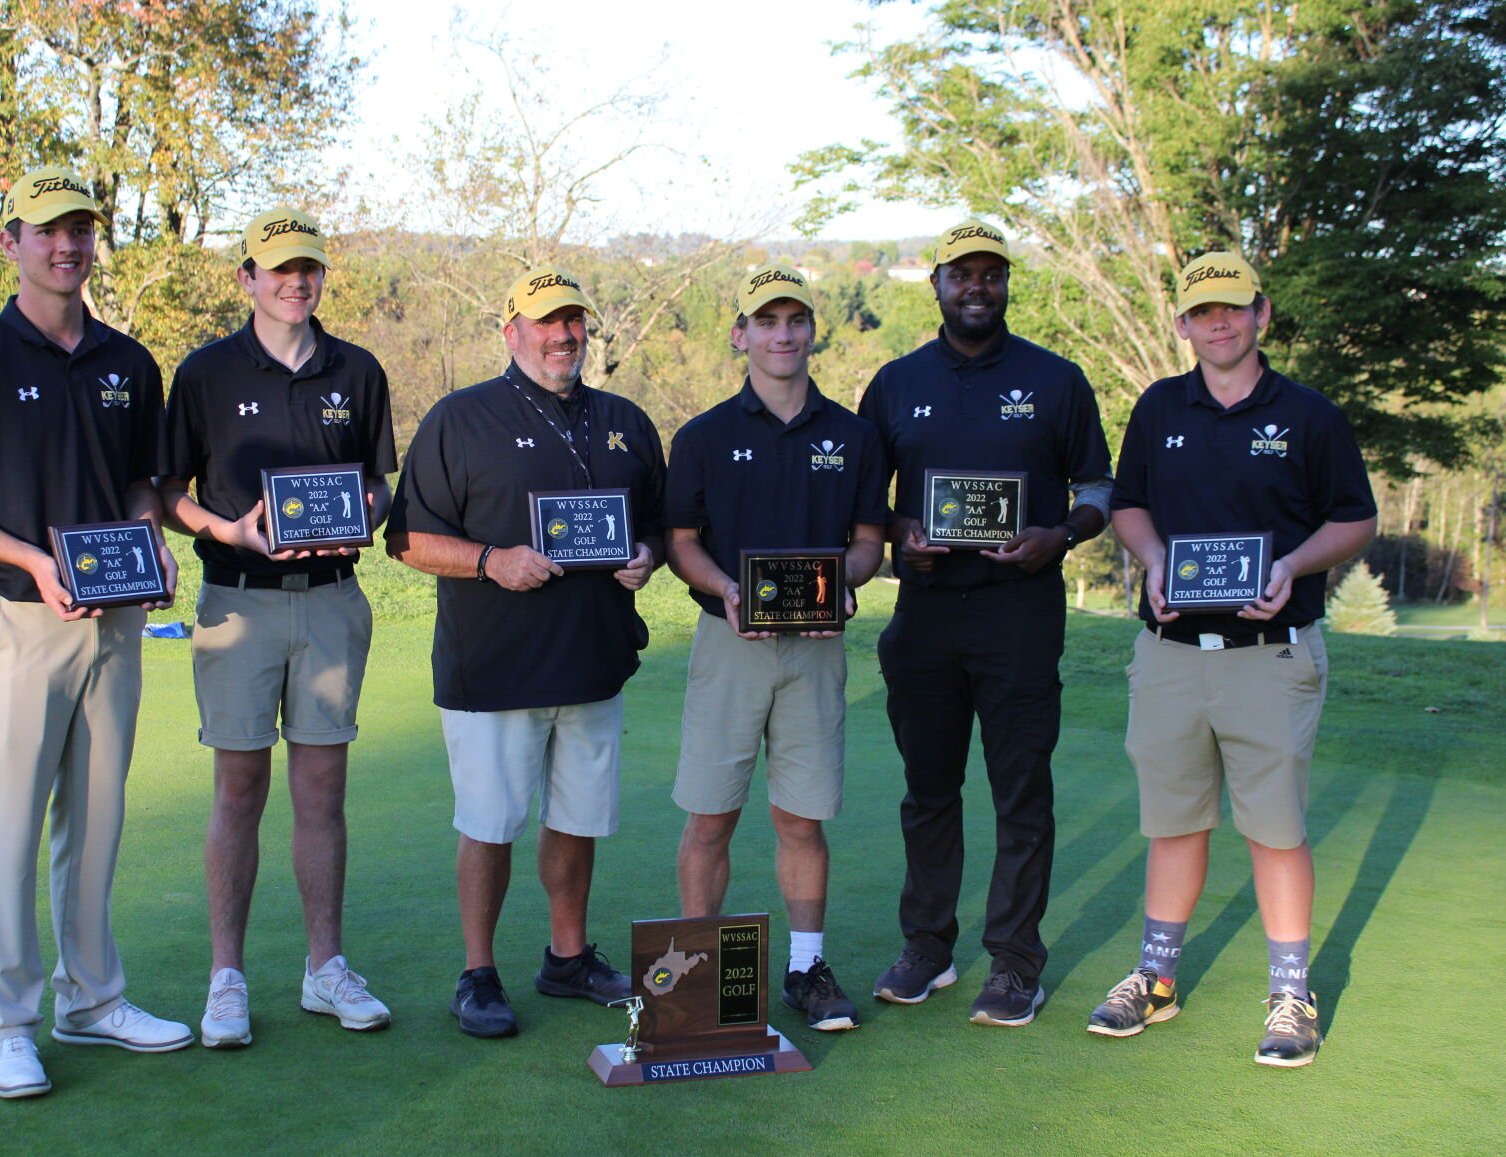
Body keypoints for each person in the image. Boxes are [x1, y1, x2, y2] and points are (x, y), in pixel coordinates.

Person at [0, 166, 191, 1100]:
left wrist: (150, 536)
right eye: (47, 231)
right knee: (13, 823)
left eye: (80, 230)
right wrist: (33, 560)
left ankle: (93, 998)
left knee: (98, 818)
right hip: (20, 620)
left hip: (115, 623)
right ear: (11, 242)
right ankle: (5, 1022)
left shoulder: (127, 362)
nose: (66, 245)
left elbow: (144, 484)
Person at [1087, 251, 1376, 1067]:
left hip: (1269, 652)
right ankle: (1155, 977)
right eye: (1202, 311)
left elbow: (1354, 520)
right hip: (1171, 650)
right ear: (1181, 324)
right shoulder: (1156, 407)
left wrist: (1291, 566)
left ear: (1261, 314)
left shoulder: (1310, 414)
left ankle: (1290, 993)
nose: (1218, 323)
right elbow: (1129, 502)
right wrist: (1149, 558)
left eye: (1232, 308)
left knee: (1275, 828)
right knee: (1174, 820)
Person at [386, 268, 665, 1038]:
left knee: (577, 819)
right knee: (491, 823)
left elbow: (659, 527)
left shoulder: (623, 420)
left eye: (574, 321)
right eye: (545, 321)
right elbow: (406, 538)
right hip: (494, 666)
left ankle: (567, 957)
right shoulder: (460, 417)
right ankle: (478, 971)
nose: (562, 335)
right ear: (510, 330)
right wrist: (489, 561)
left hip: (594, 658)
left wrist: (645, 553)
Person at [857, 219, 1113, 1027]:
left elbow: (1099, 489)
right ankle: (926, 947)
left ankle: (1014, 961)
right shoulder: (895, 383)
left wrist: (1058, 536)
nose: (976, 287)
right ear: (934, 283)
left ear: (1005, 284)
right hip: (926, 614)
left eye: (990, 274)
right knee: (928, 790)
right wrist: (904, 538)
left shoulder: (1056, 379)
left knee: (1019, 793)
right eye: (960, 274)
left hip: (1019, 612)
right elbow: (870, 507)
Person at [159, 207, 398, 1048]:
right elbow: (166, 494)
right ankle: (227, 977)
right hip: (237, 600)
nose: (296, 281)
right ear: (246, 278)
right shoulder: (204, 372)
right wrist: (222, 530)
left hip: (332, 596)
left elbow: (378, 484)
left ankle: (323, 968)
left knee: (322, 790)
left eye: (309, 268)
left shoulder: (358, 370)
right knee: (238, 787)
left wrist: (363, 513)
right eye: (279, 268)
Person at [663, 264, 886, 1031]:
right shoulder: (702, 435)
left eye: (795, 320)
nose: (782, 334)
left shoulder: (853, 435)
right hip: (728, 641)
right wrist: (727, 588)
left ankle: (804, 967)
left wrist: (848, 585)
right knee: (709, 817)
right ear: (740, 334)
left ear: (811, 331)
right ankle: (698, 974)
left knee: (801, 819)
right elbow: (680, 543)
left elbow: (866, 542)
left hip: (816, 649)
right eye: (766, 321)